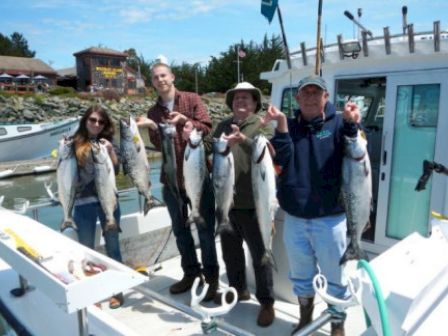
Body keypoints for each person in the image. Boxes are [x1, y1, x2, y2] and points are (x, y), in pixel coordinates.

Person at [263, 75, 361, 336]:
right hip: (294, 218)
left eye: (316, 93)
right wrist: (282, 125)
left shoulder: (339, 123)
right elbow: (280, 161)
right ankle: (305, 318)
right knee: (300, 277)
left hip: (331, 219)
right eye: (305, 93)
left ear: (326, 97)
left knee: (336, 280)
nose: (310, 98)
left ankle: (337, 326)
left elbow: (353, 146)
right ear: (297, 98)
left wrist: (352, 126)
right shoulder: (290, 127)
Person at [136, 59, 219, 301]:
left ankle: (212, 279)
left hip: (198, 178)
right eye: (155, 77)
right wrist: (152, 126)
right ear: (152, 83)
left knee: (205, 232)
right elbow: (156, 143)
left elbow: (207, 128)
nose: (160, 80)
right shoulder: (154, 111)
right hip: (171, 181)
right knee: (180, 232)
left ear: (172, 77)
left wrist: (185, 121)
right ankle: (190, 274)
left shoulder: (191, 99)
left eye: (163, 75)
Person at [198, 82, 276, 327]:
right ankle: (237, 289)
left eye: (246, 98)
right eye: (236, 98)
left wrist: (241, 140)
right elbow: (207, 146)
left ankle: (266, 302)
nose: (240, 101)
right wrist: (193, 133)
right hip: (227, 205)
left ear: (254, 103)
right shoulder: (222, 125)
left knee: (260, 256)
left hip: (256, 205)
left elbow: (270, 153)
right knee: (231, 254)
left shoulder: (263, 125)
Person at [72, 105, 124, 309]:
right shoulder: (74, 143)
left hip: (109, 202)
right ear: (85, 121)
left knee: (113, 248)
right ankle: (91, 295)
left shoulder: (109, 143)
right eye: (92, 120)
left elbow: (117, 169)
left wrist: (111, 151)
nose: (96, 124)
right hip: (84, 204)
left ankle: (116, 291)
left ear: (105, 125)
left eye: (100, 121)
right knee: (86, 251)